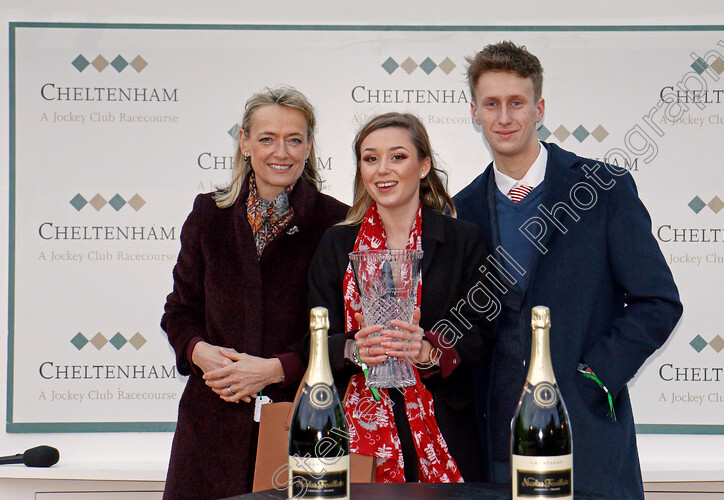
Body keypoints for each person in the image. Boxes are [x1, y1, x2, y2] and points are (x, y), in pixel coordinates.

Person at [454, 41, 683, 499]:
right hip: (498, 447)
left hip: (587, 440)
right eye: (492, 104)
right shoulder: (462, 210)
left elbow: (657, 301)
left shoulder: (602, 189)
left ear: (539, 108)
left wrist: (595, 376)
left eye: (516, 103)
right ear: (474, 113)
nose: (504, 117)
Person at [160, 86, 348, 499]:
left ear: (309, 146)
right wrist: (198, 351)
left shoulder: (337, 223)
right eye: (267, 138)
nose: (280, 151)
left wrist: (276, 369)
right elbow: (179, 311)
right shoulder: (209, 214)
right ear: (244, 142)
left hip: (299, 426)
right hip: (209, 431)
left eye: (294, 139)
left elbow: (346, 335)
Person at [308, 112, 495, 483]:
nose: (382, 169)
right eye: (370, 158)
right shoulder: (336, 244)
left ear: (424, 166)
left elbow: (483, 333)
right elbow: (311, 341)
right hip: (352, 436)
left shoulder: (462, 240)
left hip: (443, 430)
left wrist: (430, 351)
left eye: (397, 156)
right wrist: (352, 350)